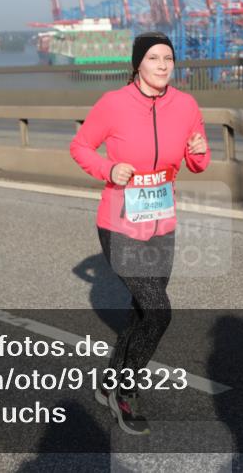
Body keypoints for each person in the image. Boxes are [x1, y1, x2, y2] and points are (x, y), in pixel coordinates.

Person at [69, 31, 210, 435]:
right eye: (153, 58)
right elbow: (80, 147)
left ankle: (109, 384)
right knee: (159, 310)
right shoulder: (113, 103)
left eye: (168, 58)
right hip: (120, 223)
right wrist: (108, 169)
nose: (163, 65)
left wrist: (198, 150)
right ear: (137, 64)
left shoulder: (186, 105)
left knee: (142, 311)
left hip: (162, 222)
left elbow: (199, 162)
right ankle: (126, 392)